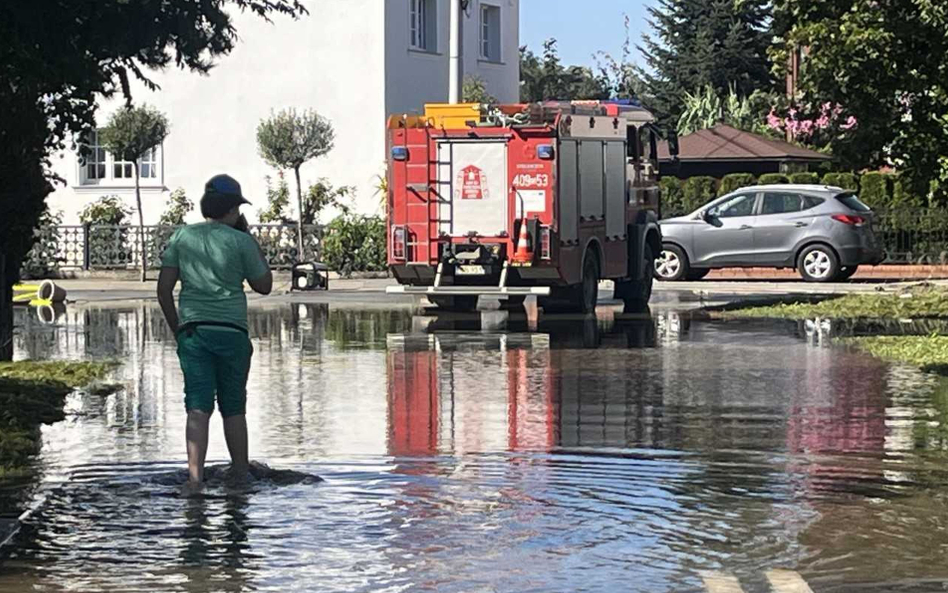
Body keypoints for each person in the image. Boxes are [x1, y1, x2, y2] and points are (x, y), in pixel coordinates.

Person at [157, 174, 273, 491]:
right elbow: (264, 286)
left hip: (194, 332)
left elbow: (163, 290)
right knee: (234, 407)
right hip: (232, 331)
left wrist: (177, 330)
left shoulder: (182, 237)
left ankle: (194, 481)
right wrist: (248, 240)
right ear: (233, 209)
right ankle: (239, 476)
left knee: (197, 406)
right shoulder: (241, 241)